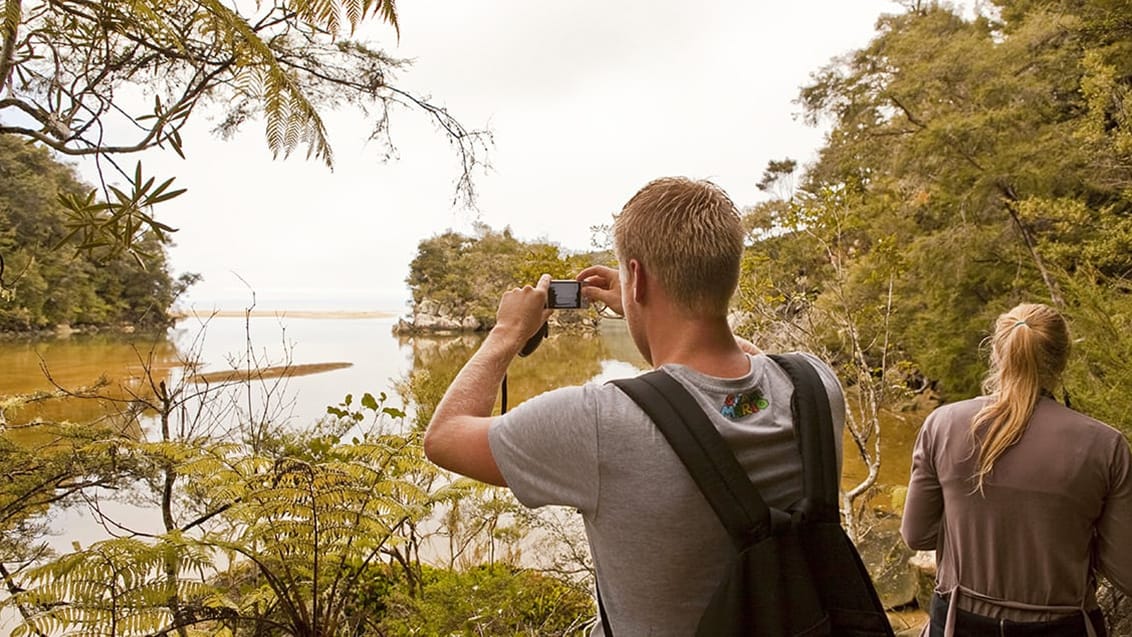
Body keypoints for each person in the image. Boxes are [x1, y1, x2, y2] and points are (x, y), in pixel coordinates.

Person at [423, 176, 847, 635]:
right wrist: (647, 307)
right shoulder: (816, 385)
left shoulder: (602, 423)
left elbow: (444, 437)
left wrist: (507, 332)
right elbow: (747, 366)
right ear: (730, 273)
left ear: (637, 278)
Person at [901, 302, 1132, 637]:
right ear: (1063, 360)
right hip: (1063, 627)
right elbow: (1126, 571)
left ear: (997, 353)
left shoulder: (943, 424)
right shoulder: (1105, 445)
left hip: (959, 623)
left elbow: (916, 534)